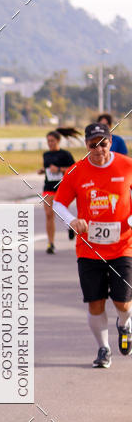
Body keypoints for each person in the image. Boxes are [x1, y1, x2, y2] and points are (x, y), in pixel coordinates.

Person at [53, 122, 132, 368]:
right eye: (92, 145)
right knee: (95, 303)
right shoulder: (76, 171)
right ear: (86, 145)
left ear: (111, 142)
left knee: (122, 302)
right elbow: (58, 203)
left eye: (103, 144)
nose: (98, 150)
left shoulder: (126, 165)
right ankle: (103, 349)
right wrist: (72, 220)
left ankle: (124, 324)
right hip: (89, 249)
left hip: (123, 246)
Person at [38, 128, 78, 253]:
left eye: (52, 141)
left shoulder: (65, 154)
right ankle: (50, 244)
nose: (50, 143)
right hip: (48, 187)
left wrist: (59, 169)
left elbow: (74, 170)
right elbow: (48, 169)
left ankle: (70, 225)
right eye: (48, 141)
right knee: (49, 214)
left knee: (61, 212)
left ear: (58, 141)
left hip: (62, 187)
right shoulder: (46, 155)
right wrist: (43, 171)